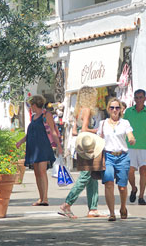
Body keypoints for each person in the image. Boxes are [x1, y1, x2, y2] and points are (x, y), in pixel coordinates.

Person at [59, 86, 103, 218]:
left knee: (92, 177)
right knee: (85, 176)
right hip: (89, 147)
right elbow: (84, 129)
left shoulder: (78, 112)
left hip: (81, 145)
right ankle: (67, 203)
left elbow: (74, 131)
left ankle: (93, 208)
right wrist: (98, 130)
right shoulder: (87, 110)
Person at [16, 94, 63, 206]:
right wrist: (21, 142)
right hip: (33, 147)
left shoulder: (46, 115)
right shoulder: (33, 117)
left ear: (34, 104)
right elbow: (30, 134)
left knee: (42, 171)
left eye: (30, 104)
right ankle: (40, 198)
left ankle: (45, 198)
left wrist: (59, 146)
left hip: (43, 147)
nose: (30, 107)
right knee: (37, 173)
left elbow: (53, 131)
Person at [97, 98, 135, 221]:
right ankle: (112, 212)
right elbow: (98, 139)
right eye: (112, 108)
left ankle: (123, 207)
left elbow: (130, 135)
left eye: (117, 108)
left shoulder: (125, 123)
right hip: (108, 156)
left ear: (121, 110)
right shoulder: (102, 123)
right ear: (108, 109)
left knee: (122, 187)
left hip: (122, 156)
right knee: (108, 183)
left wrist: (131, 139)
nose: (114, 110)